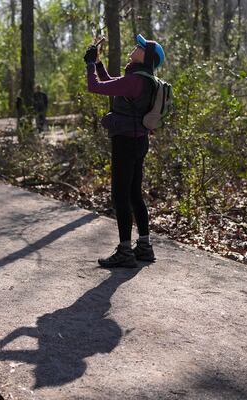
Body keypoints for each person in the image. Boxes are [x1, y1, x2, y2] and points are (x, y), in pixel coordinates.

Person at [84, 33, 165, 268]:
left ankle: (125, 251)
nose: (135, 47)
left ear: (146, 56)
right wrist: (98, 63)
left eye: (140, 46)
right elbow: (110, 82)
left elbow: (95, 86)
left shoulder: (135, 80)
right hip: (139, 141)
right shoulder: (144, 79)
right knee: (134, 194)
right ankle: (144, 246)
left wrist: (89, 65)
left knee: (121, 196)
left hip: (125, 142)